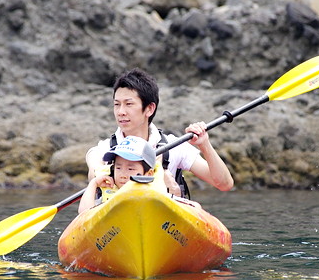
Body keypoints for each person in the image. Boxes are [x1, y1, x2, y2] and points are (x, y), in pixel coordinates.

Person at [85, 68, 234, 199]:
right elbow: (94, 165)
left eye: (129, 104)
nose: (121, 112)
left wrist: (204, 145)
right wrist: (98, 174)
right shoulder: (105, 149)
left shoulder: (174, 146)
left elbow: (224, 184)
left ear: (149, 109)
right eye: (117, 104)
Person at [78, 136, 156, 213]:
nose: (123, 175)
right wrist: (93, 183)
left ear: (149, 174)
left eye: (130, 169)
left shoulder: (157, 198)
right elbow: (84, 214)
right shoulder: (104, 201)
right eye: (118, 168)